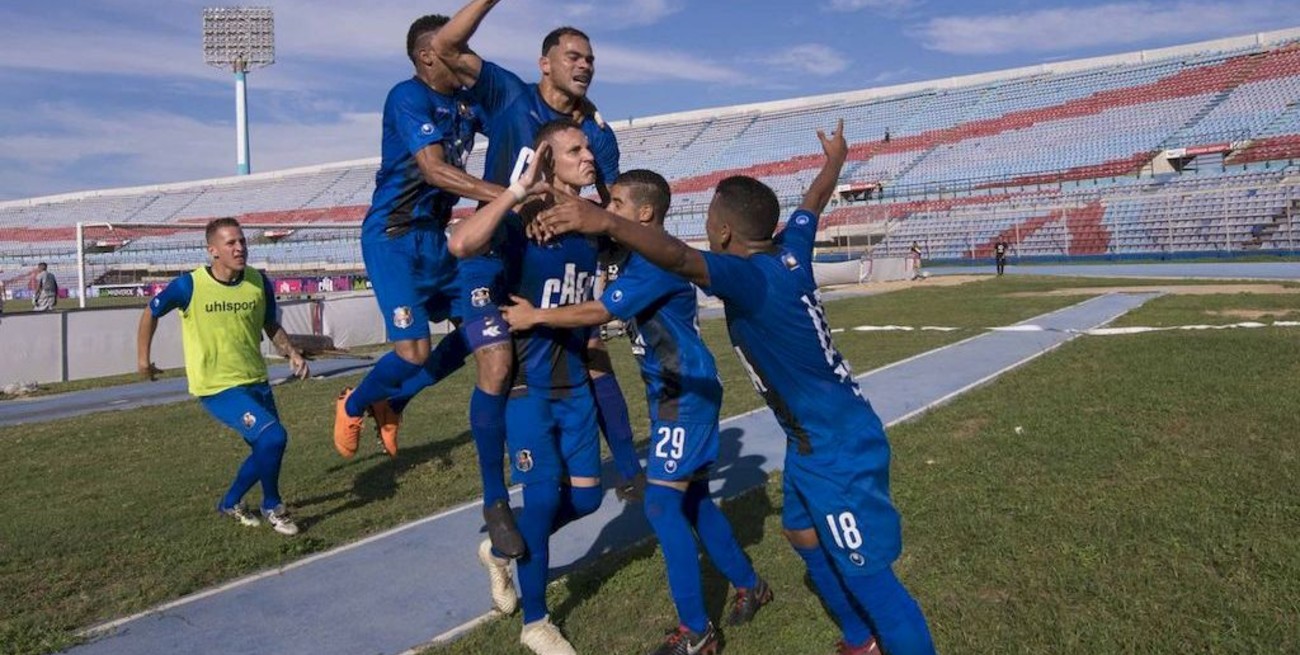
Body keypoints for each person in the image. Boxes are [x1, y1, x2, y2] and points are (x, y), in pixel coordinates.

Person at [539, 121, 934, 655]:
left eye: (708, 220)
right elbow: (813, 202)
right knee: (801, 533)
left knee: (870, 578)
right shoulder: (789, 247)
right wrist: (835, 160)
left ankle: (884, 634)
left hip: (838, 449)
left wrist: (600, 216)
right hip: (814, 436)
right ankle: (860, 641)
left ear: (724, 233)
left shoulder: (748, 278)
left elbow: (678, 258)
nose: (702, 228)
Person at [501, 170, 771, 655]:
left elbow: (598, 313)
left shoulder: (655, 260)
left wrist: (533, 317)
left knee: (662, 504)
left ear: (645, 213)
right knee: (693, 502)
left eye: (619, 204)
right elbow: (593, 227)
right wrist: (548, 195)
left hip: (682, 394)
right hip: (674, 390)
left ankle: (697, 632)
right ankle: (752, 584)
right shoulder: (640, 251)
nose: (611, 212)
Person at [329, 14, 527, 556]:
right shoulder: (406, 97)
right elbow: (437, 172)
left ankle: (396, 403)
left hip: (437, 240)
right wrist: (509, 196)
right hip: (392, 238)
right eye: (456, 49)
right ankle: (354, 404)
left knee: (487, 329)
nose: (466, 57)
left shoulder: (467, 103)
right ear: (428, 56)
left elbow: (515, 118)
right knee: (414, 351)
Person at [434, 0, 643, 509]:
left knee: (591, 349)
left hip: (551, 253)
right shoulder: (509, 93)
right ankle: (494, 498)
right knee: (496, 361)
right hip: (495, 247)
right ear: (545, 63)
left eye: (590, 59)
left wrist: (588, 223)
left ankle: (630, 471)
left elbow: (613, 205)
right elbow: (445, 46)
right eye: (573, 55)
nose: (584, 65)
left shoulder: (597, 134)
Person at [447, 120, 605, 655]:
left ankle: (497, 549)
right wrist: (520, 193)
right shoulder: (521, 225)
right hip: (528, 390)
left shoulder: (590, 229)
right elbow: (462, 242)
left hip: (574, 383)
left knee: (586, 500)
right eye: (575, 149)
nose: (589, 156)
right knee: (539, 503)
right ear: (547, 160)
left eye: (588, 147)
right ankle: (536, 623)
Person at [136, 218, 309, 536]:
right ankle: (273, 506)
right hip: (217, 388)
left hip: (255, 380)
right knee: (274, 437)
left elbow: (270, 324)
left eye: (242, 241)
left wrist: (292, 352)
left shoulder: (258, 281)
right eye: (231, 243)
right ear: (212, 250)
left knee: (266, 447)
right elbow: (151, 311)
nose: (240, 248)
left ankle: (230, 503)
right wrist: (143, 360)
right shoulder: (189, 285)